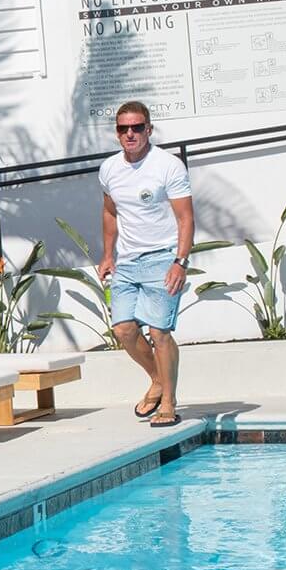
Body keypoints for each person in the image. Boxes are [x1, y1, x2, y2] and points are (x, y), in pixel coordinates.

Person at [96, 101, 195, 429]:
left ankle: (168, 401)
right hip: (126, 261)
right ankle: (157, 379)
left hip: (162, 258)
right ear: (117, 133)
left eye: (137, 127)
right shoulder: (110, 169)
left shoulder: (168, 166)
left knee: (158, 331)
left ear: (148, 130)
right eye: (124, 129)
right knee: (124, 330)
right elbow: (110, 212)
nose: (130, 134)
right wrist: (108, 255)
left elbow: (185, 218)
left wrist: (180, 262)